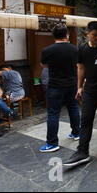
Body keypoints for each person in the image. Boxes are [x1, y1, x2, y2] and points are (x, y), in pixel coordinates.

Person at [63, 21, 97, 167]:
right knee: (86, 119)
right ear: (87, 33)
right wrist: (79, 87)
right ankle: (82, 151)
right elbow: (80, 68)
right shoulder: (82, 49)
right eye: (95, 35)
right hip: (89, 89)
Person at [39, 24, 80, 153]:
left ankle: (52, 143)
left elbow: (43, 64)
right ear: (67, 35)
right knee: (73, 108)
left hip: (55, 85)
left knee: (53, 113)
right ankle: (76, 133)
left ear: (54, 36)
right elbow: (79, 65)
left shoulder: (47, 50)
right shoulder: (75, 49)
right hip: (72, 84)